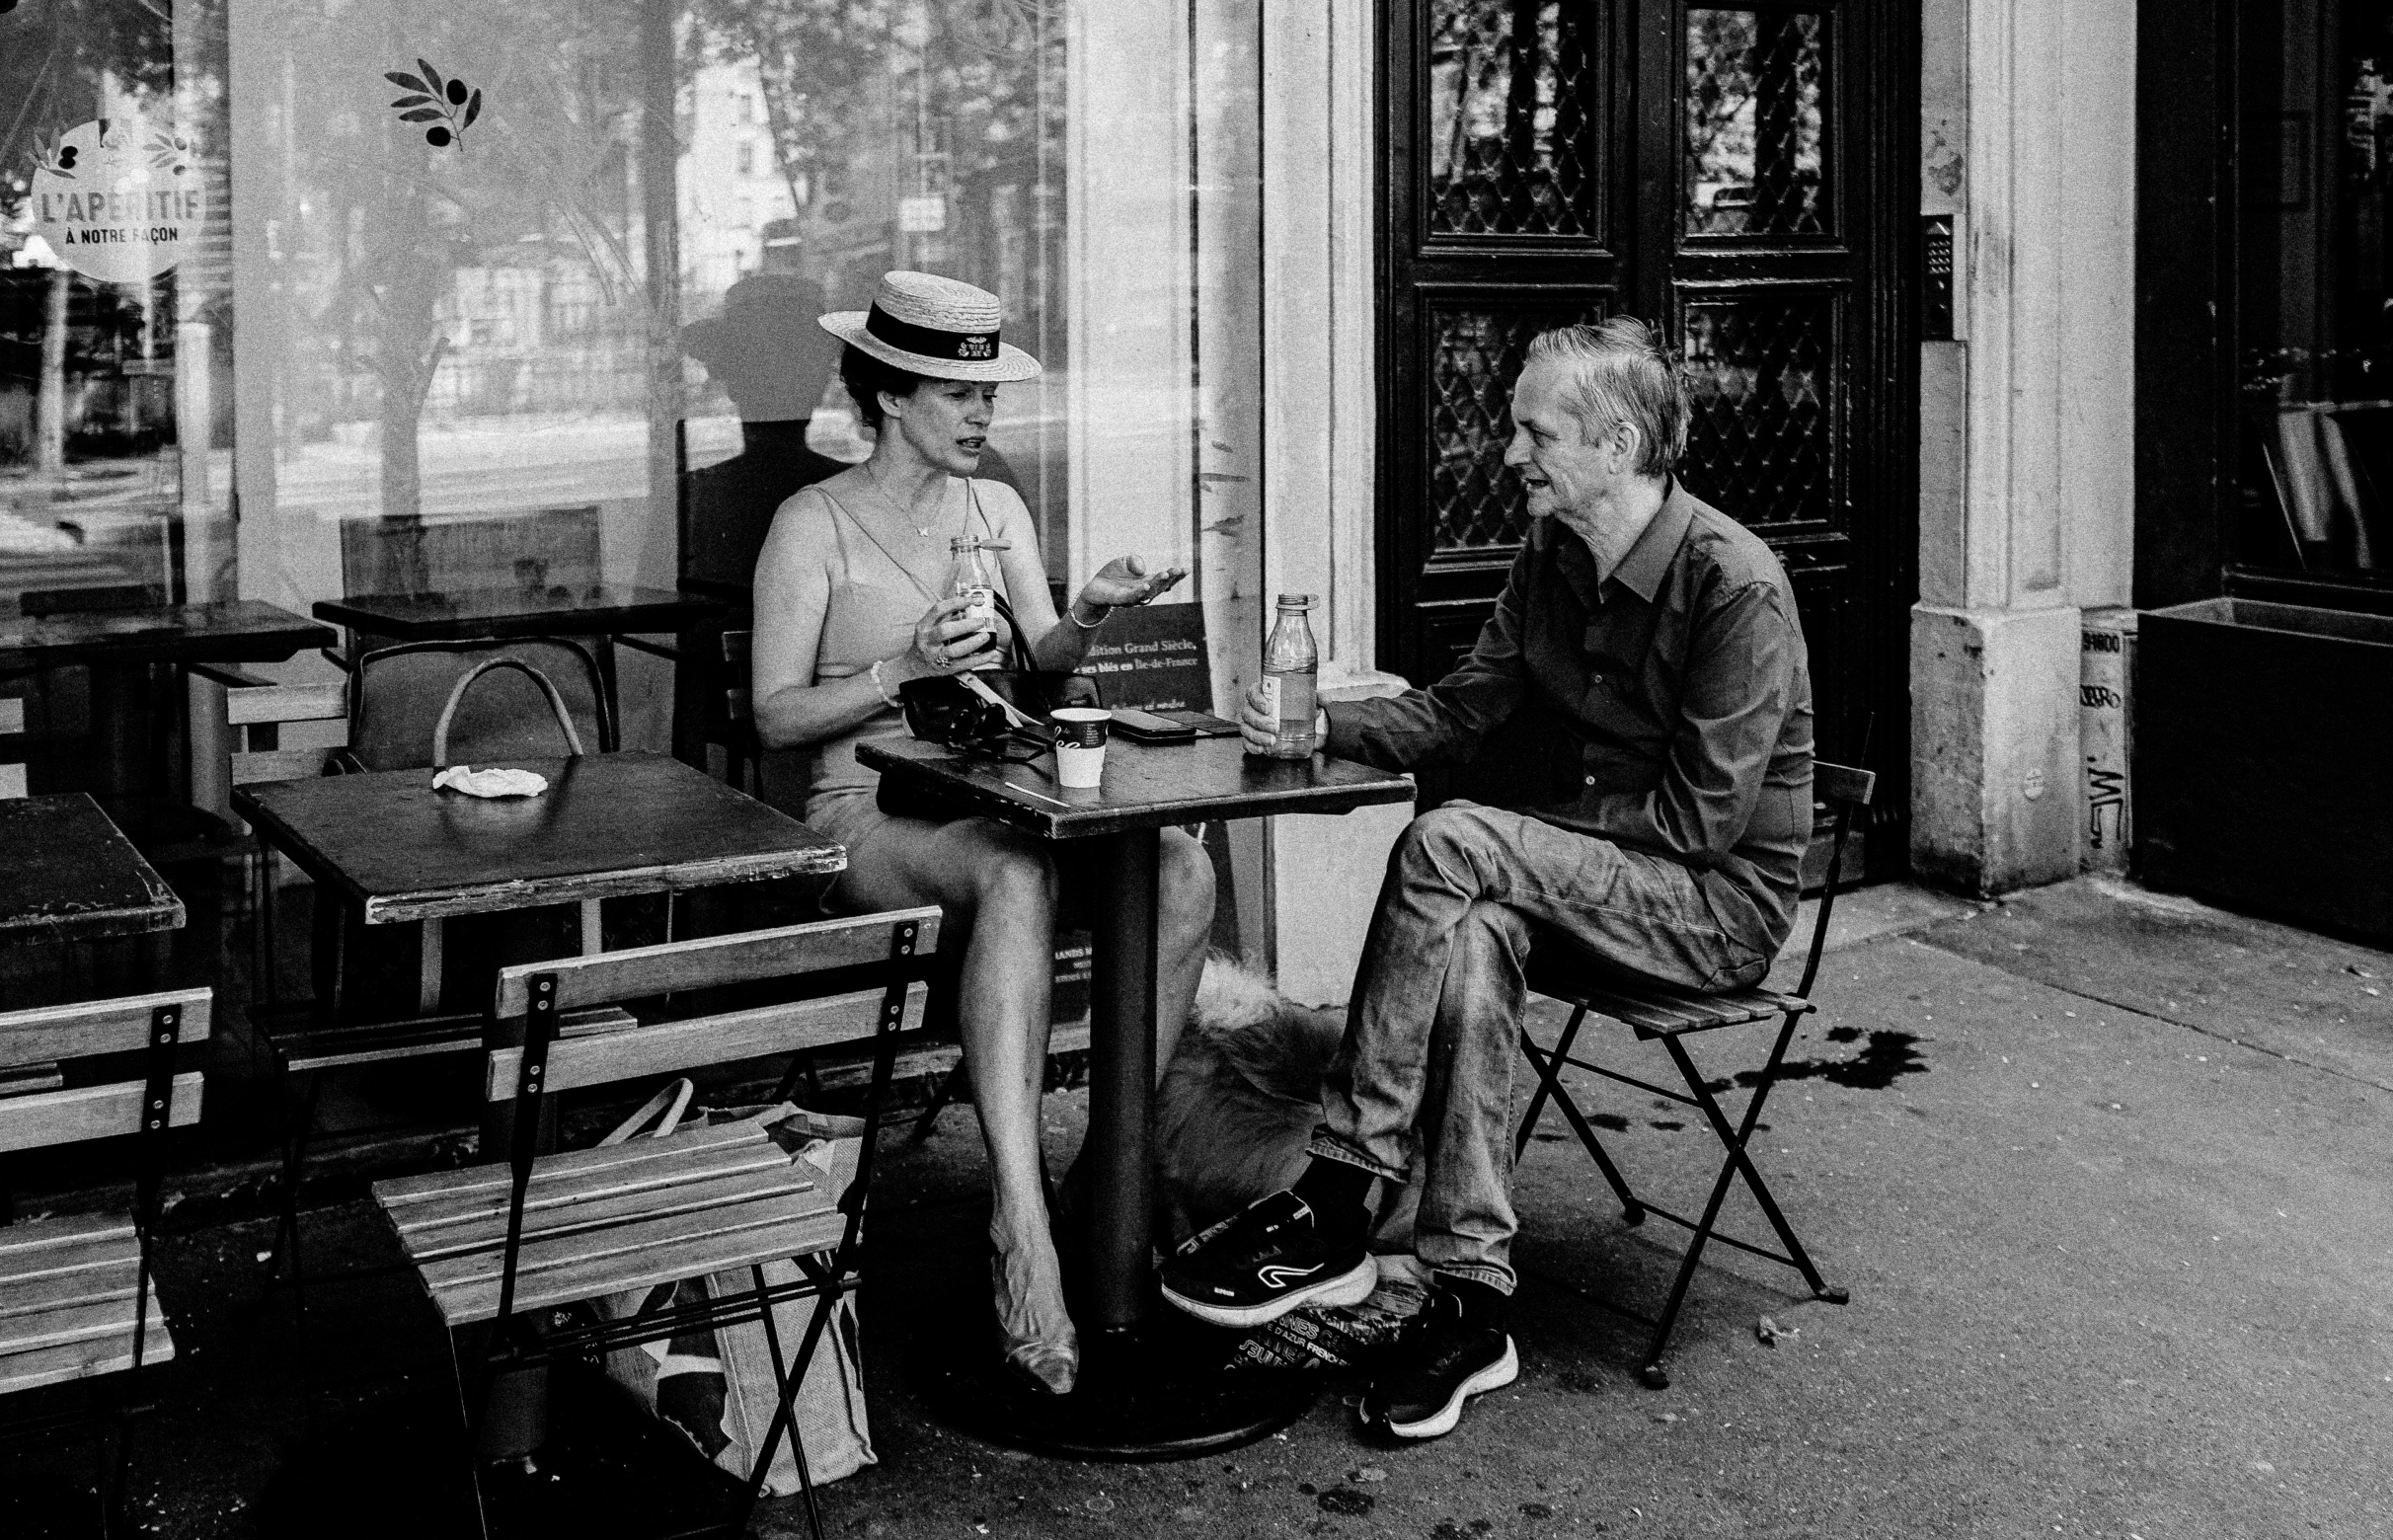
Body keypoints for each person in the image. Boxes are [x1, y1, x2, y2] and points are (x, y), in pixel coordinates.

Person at [1159, 317, 1815, 1441]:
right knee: (1468, 929)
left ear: (1617, 445)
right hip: (1593, 886)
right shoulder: (1552, 552)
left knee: (1455, 844)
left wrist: (1508, 838)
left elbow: (1698, 822)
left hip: (1711, 908)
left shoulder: (1733, 584)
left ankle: (1341, 1191)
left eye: (1534, 431)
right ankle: (1471, 1301)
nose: (1510, 452)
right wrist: (1314, 725)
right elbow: (1463, 709)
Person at [751, 270, 1215, 1396]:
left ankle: (1106, 1176)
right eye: (959, 394)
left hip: (995, 792)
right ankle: (1021, 1226)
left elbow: (1043, 664)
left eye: (988, 395)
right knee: (1013, 873)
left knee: (1181, 866)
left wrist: (1089, 608)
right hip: (865, 814)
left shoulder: (994, 508)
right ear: (890, 395)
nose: (982, 414)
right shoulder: (811, 523)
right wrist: (900, 668)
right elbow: (771, 716)